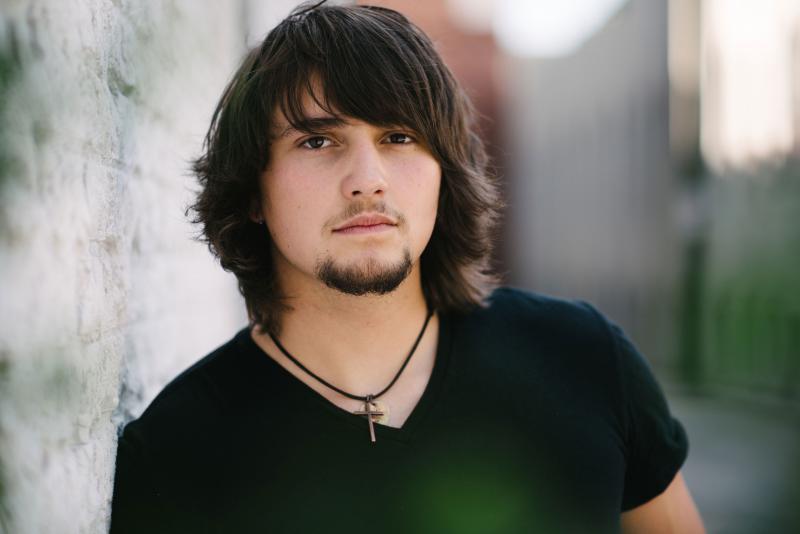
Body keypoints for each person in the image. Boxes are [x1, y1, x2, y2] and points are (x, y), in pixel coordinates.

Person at [110, 2, 705, 532]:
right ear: (252, 193)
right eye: (317, 141)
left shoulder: (585, 360)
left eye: (398, 137)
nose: (368, 180)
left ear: (444, 173)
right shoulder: (178, 452)